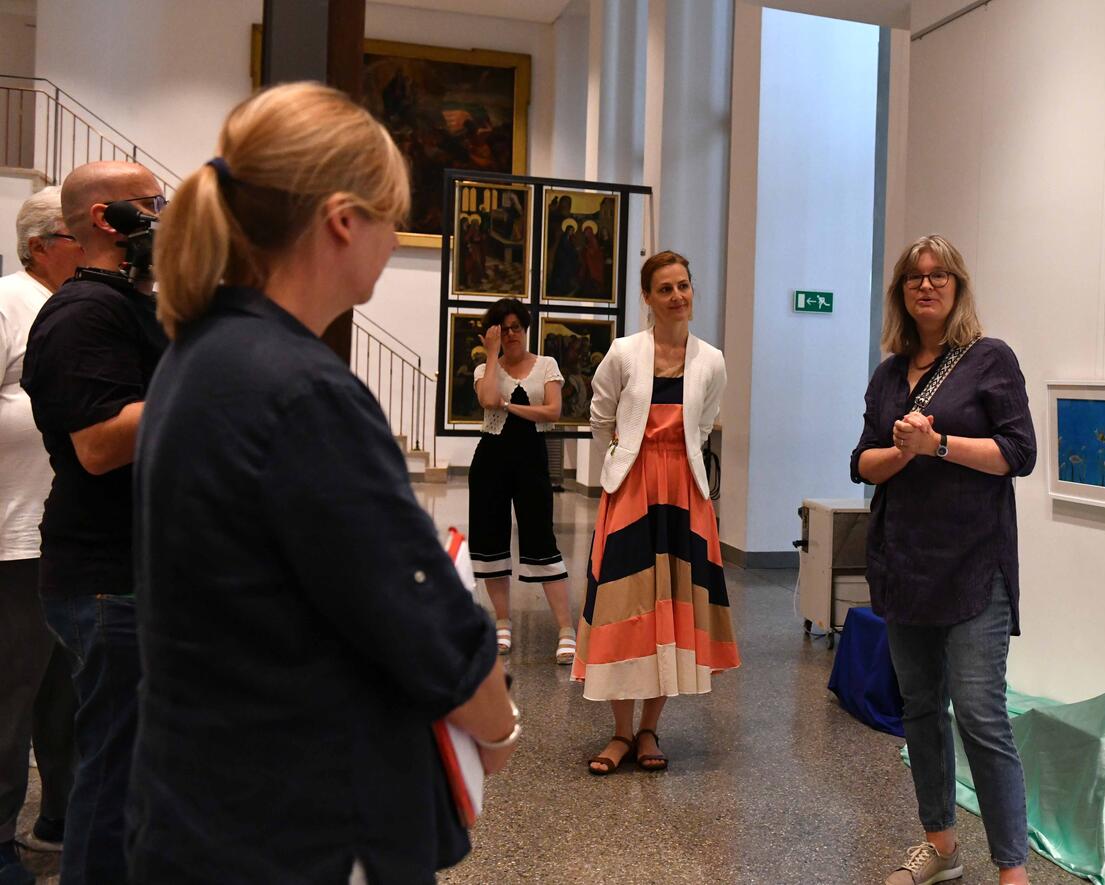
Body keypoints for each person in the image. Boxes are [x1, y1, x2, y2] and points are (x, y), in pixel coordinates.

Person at [131, 82, 516, 885]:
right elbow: (419, 615)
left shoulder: (201, 352)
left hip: (206, 800)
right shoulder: (301, 389)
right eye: (393, 217)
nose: (395, 239)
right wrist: (499, 726)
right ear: (343, 220)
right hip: (298, 819)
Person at [850, 235, 1036, 885]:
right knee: (921, 709)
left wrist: (939, 445)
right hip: (904, 566)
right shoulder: (887, 375)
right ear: (900, 292)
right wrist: (905, 451)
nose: (926, 286)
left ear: (958, 286)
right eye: (914, 277)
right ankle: (941, 846)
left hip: (974, 567)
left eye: (939, 276)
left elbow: (1018, 453)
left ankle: (1012, 869)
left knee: (981, 715)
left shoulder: (990, 359)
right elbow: (863, 463)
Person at [20, 161, 168, 885]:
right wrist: (208, 371)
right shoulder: (84, 313)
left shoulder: (131, 305)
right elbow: (101, 445)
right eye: (152, 204)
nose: (164, 216)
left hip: (136, 569)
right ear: (108, 219)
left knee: (135, 771)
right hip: (105, 579)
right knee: (112, 776)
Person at [573, 250, 739, 775]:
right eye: (665, 288)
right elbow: (600, 416)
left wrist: (676, 463)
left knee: (671, 605)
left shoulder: (711, 360)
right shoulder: (624, 353)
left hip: (683, 492)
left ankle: (649, 729)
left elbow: (704, 423)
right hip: (632, 487)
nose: (677, 296)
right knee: (625, 607)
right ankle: (620, 731)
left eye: (683, 286)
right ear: (646, 297)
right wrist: (624, 460)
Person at [0, 187, 82, 885]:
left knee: (69, 691)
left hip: (69, 538)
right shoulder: (8, 303)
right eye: (79, 235)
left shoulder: (84, 308)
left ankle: (62, 816)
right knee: (9, 695)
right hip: (11, 539)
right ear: (41, 245)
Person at [469, 297, 575, 663]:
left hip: (531, 459)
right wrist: (492, 354)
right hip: (490, 459)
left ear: (526, 329)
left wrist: (509, 406)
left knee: (541, 538)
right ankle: (502, 622)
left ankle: (565, 629)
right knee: (490, 540)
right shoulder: (485, 368)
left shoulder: (546, 365)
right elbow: (487, 399)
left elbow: (553, 411)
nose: (511, 334)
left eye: (516, 327)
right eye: (503, 329)